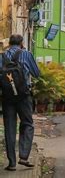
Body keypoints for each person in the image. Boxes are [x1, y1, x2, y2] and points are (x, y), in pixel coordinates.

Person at [0, 34, 40, 171]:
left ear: (9, 43)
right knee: (27, 124)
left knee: (9, 128)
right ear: (21, 43)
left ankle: (11, 163)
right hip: (23, 96)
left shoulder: (2, 56)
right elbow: (36, 73)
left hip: (7, 97)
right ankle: (24, 156)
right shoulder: (26, 54)